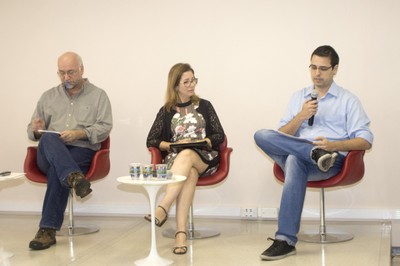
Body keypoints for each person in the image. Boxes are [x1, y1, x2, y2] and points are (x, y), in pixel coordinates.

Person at [254, 45, 373, 261]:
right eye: (313, 67)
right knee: (261, 135)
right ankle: (312, 153)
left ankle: (285, 240)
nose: (317, 73)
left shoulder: (348, 100)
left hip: (333, 160)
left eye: (323, 69)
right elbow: (279, 136)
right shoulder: (299, 96)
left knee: (292, 160)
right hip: (303, 155)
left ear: (335, 69)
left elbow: (365, 140)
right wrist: (301, 116)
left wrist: (333, 146)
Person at [27, 52, 113, 250]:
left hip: (81, 150)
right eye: (62, 73)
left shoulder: (98, 95)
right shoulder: (48, 96)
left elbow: (105, 127)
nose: (66, 77)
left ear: (82, 69)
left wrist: (79, 133)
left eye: (71, 72)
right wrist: (36, 130)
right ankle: (74, 177)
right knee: (49, 137)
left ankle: (47, 231)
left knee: (58, 171)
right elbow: (32, 132)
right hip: (48, 152)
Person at [146, 63, 225, 255]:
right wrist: (170, 146)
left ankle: (163, 206)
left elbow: (219, 135)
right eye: (186, 82)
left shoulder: (204, 105)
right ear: (175, 86)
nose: (192, 85)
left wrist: (204, 140)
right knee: (188, 172)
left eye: (193, 80)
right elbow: (152, 140)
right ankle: (180, 235)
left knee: (189, 154)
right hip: (177, 160)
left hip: (204, 157)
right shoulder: (166, 110)